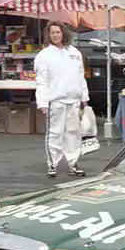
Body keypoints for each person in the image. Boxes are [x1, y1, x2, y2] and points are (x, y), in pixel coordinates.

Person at [35, 21, 89, 178]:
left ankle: (73, 163)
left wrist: (84, 97)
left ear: (63, 33)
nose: (55, 35)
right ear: (48, 35)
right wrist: (43, 103)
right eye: (52, 33)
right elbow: (41, 82)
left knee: (73, 133)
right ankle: (53, 164)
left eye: (58, 32)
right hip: (56, 101)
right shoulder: (44, 56)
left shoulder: (74, 53)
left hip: (73, 100)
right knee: (55, 133)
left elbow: (80, 77)